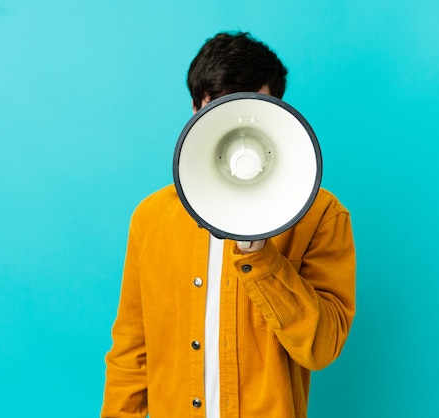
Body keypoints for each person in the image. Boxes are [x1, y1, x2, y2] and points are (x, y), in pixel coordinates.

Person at [101, 31, 356, 418]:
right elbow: (131, 353)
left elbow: (321, 348)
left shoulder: (321, 213)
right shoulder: (151, 217)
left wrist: (261, 256)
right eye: (220, 109)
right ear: (194, 111)